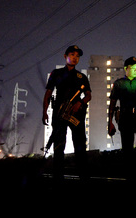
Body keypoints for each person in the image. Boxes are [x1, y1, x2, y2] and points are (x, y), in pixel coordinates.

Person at [42, 45, 91, 185]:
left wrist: (79, 103)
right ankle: (58, 177)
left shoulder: (81, 77)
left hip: (76, 114)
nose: (75, 58)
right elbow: (48, 93)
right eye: (72, 54)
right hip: (60, 113)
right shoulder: (56, 73)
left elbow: (88, 95)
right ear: (65, 56)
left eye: (77, 56)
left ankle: (84, 177)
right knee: (59, 146)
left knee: (80, 145)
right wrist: (44, 111)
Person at [108, 56, 136, 153]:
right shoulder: (119, 83)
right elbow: (112, 103)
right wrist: (110, 122)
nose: (135, 71)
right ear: (126, 68)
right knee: (127, 147)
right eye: (133, 69)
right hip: (126, 118)